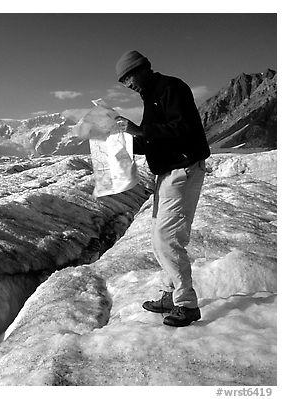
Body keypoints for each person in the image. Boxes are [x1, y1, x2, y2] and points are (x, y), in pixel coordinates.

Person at [114, 50, 210, 327]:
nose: (127, 84)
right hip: (170, 173)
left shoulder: (171, 88)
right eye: (123, 81)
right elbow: (153, 140)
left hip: (182, 170)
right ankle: (171, 295)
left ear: (143, 68)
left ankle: (186, 304)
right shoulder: (152, 96)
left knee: (166, 239)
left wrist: (140, 131)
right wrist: (121, 142)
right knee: (167, 235)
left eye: (128, 77)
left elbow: (183, 129)